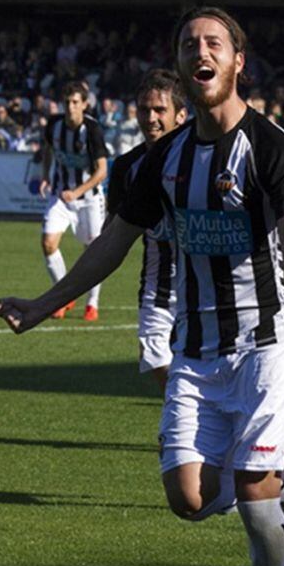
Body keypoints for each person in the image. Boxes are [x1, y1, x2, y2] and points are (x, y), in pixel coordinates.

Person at [0, 7, 284, 566]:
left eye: (213, 43)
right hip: (197, 350)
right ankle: (280, 471)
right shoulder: (163, 162)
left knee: (254, 492)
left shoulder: (270, 147)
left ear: (237, 60)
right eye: (188, 45)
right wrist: (40, 306)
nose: (199, 52)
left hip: (269, 340)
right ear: (181, 70)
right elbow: (106, 250)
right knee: (186, 497)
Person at [106, 69, 187, 390]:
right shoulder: (127, 167)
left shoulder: (201, 157)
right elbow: (113, 231)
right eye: (144, 110)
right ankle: (186, 416)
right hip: (157, 284)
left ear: (181, 115)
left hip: (205, 283)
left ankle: (187, 422)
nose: (150, 118)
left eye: (159, 110)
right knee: (154, 356)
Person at [40, 80, 108, 321]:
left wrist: (78, 192)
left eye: (75, 103)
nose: (70, 107)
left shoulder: (92, 130)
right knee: (48, 243)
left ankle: (92, 303)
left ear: (85, 105)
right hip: (60, 194)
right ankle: (64, 296)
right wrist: (45, 176)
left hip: (88, 199)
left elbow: (102, 171)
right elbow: (48, 150)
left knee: (93, 251)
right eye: (67, 102)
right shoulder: (53, 125)